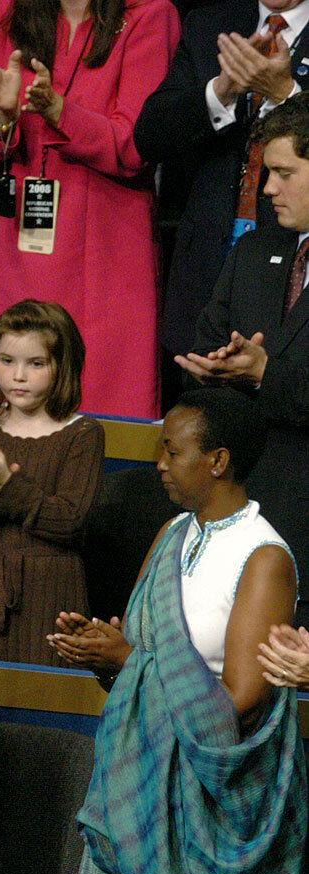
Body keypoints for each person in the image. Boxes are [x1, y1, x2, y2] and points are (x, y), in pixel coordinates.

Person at [49, 388, 305, 874]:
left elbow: (240, 705)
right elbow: (137, 668)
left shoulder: (264, 558)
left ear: (217, 460)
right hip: (133, 791)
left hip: (201, 817)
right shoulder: (171, 535)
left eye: (172, 449)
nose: (159, 462)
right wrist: (102, 653)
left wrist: (131, 662)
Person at [0, 0, 180, 419]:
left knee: (102, 417)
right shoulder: (12, 10)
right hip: (19, 242)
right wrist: (1, 115)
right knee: (6, 412)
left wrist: (58, 111)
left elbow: (137, 144)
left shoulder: (149, 14)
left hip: (109, 246)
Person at [133, 0, 309, 402]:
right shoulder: (211, 23)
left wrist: (285, 93)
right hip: (206, 272)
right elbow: (149, 135)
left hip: (290, 279)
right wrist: (222, 89)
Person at [178, 92, 309, 625]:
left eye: (282, 172)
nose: (268, 188)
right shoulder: (256, 251)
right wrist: (215, 371)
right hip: (236, 520)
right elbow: (210, 335)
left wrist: (264, 373)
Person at [0, 300, 102, 666]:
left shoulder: (82, 434)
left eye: (36, 363)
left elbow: (70, 521)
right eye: (7, 361)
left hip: (54, 591)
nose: (18, 376)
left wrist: (7, 490)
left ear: (62, 367)